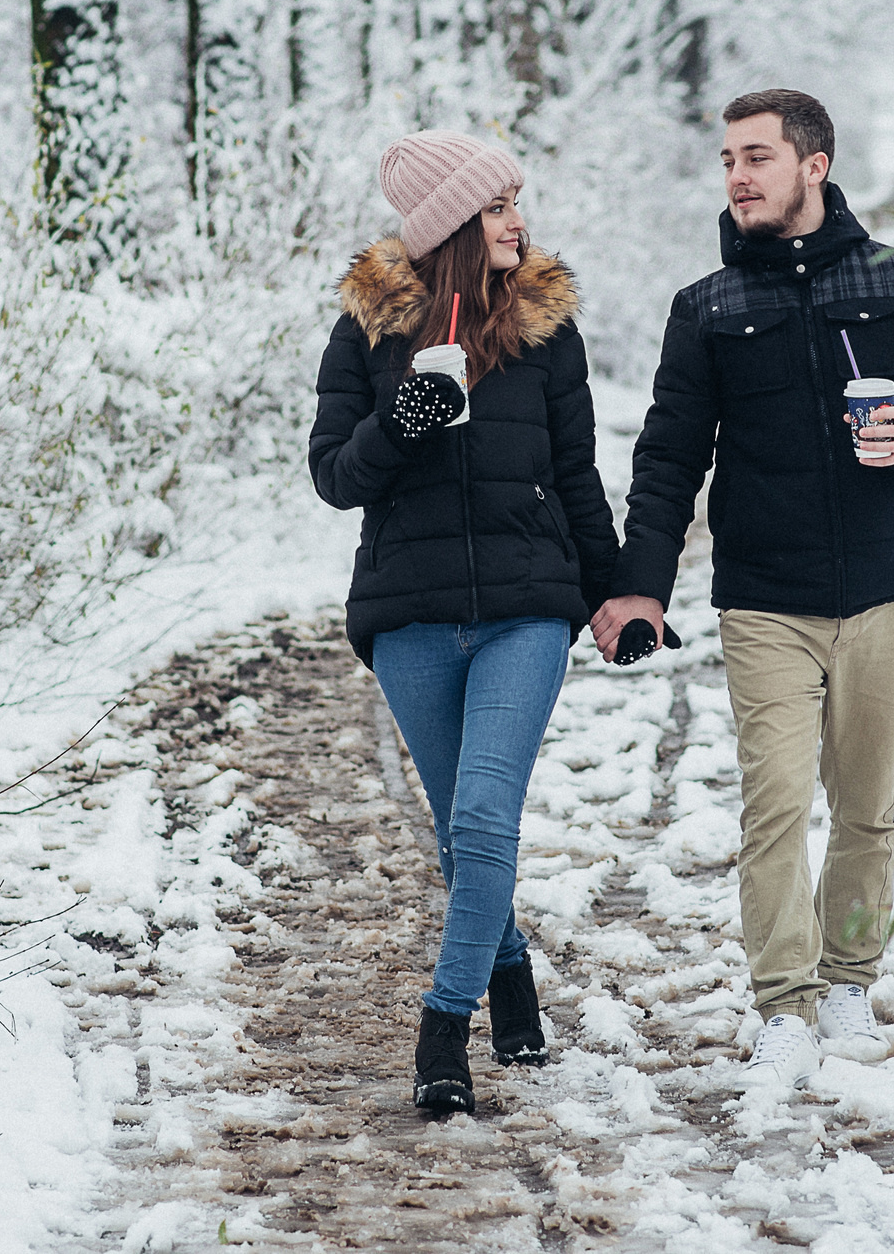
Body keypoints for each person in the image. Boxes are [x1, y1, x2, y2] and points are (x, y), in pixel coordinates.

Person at [593, 88, 894, 1090]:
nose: (737, 175)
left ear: (814, 165)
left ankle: (850, 978)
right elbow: (667, 459)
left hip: (881, 588)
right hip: (762, 598)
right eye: (729, 158)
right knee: (773, 803)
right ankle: (784, 998)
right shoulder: (707, 308)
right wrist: (641, 585)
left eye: (758, 157)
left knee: (864, 805)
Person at [308, 130, 623, 1115]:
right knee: (461, 837)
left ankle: (444, 1023)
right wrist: (395, 421)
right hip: (409, 614)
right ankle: (511, 966)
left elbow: (576, 475)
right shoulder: (365, 333)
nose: (518, 221)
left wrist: (615, 591)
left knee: (485, 815)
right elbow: (332, 476)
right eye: (497, 207)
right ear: (451, 223)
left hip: (527, 611)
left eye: (515, 203)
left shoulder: (544, 330)